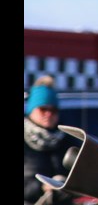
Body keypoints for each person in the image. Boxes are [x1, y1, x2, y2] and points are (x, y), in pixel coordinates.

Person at [24, 77, 75, 205]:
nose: (48, 114)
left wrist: (65, 183)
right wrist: (41, 187)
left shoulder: (68, 140)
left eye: (53, 110)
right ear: (31, 110)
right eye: (43, 109)